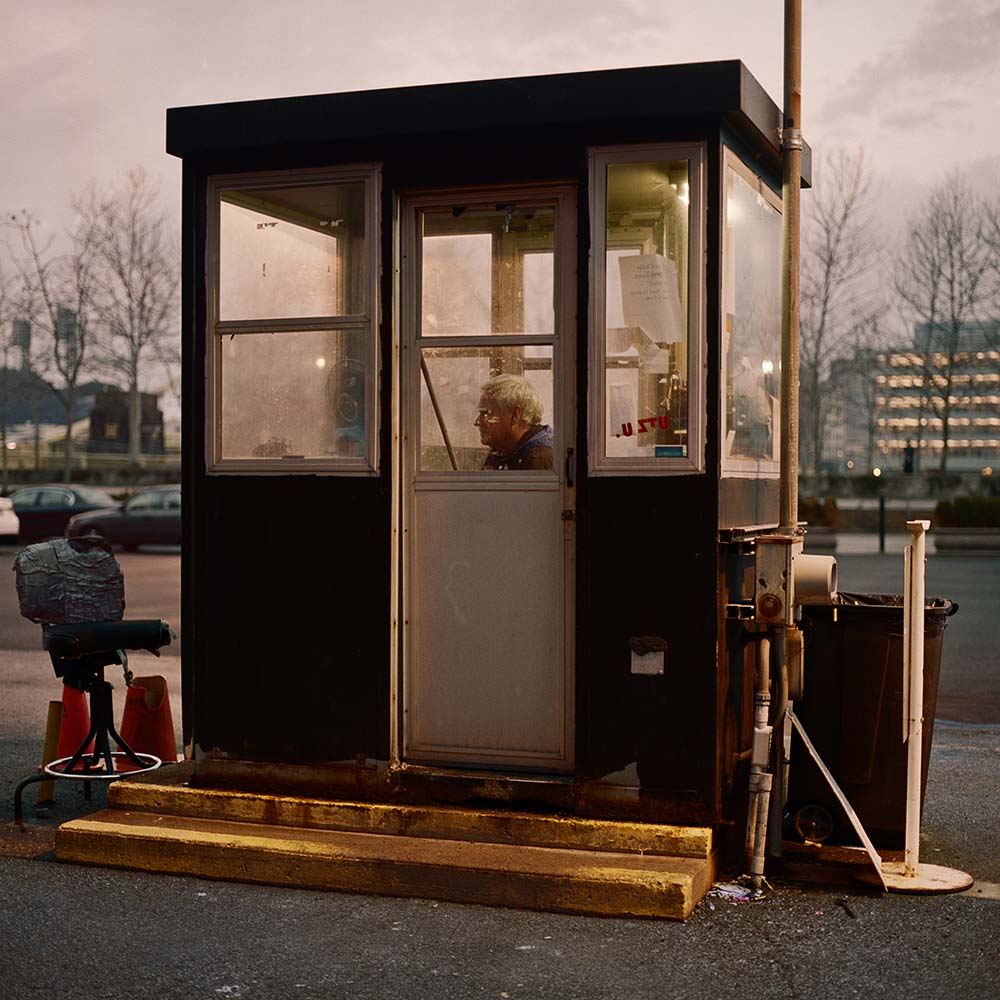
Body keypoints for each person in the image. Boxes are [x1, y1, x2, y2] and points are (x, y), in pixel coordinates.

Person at [474, 374, 554, 470]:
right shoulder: (502, 449)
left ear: (515, 415)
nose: (478, 422)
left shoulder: (540, 458)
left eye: (486, 413)